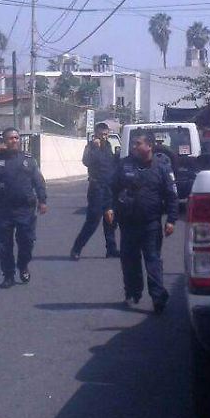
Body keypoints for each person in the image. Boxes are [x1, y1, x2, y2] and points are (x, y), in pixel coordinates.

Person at [106, 130, 179, 314]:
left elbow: (172, 196)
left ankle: (158, 297)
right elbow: (111, 188)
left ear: (149, 145)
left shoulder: (162, 167)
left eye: (138, 143)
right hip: (128, 223)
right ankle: (132, 292)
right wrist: (109, 207)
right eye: (133, 144)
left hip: (151, 224)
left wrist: (171, 220)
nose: (134, 147)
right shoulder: (125, 165)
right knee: (129, 261)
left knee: (153, 261)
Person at [0, 128, 48, 288]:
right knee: (3, 245)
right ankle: (8, 275)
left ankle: (23, 265)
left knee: (27, 242)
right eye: (10, 138)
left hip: (25, 209)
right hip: (3, 210)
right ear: (4, 141)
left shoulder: (28, 160)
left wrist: (42, 200)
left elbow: (38, 181)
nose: (14, 140)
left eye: (16, 138)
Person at [70, 122, 120, 260]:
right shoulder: (90, 147)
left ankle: (111, 249)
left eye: (106, 134)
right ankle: (76, 249)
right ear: (96, 134)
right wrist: (95, 148)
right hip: (97, 188)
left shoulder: (109, 146)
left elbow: (111, 165)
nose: (103, 137)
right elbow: (86, 161)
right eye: (101, 134)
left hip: (109, 188)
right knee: (93, 221)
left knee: (110, 220)